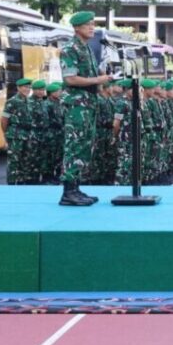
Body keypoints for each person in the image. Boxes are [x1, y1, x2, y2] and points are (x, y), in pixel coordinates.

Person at [59, 11, 116, 206]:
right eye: (87, 24)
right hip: (77, 104)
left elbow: (94, 76)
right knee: (74, 145)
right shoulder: (70, 49)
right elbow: (70, 79)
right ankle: (68, 192)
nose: (92, 28)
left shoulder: (88, 49)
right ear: (77, 28)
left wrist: (105, 78)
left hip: (88, 103)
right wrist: (98, 79)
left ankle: (75, 188)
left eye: (93, 24)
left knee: (84, 146)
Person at [1, 78, 33, 185]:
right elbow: (4, 119)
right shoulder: (12, 101)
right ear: (18, 88)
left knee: (25, 160)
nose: (27, 89)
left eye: (29, 87)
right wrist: (6, 134)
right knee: (14, 161)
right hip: (15, 135)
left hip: (27, 134)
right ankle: (12, 183)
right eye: (25, 87)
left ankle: (21, 182)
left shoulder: (28, 101)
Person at [28, 79, 49, 184]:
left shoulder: (43, 102)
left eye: (43, 90)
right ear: (34, 90)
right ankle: (32, 180)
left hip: (43, 135)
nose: (41, 92)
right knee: (33, 159)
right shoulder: (29, 102)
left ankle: (42, 179)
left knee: (43, 158)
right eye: (39, 90)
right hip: (33, 135)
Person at [45, 82, 64, 185]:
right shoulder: (47, 104)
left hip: (59, 133)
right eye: (57, 91)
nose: (59, 93)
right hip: (51, 133)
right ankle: (49, 176)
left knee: (59, 155)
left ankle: (57, 175)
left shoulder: (59, 103)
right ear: (51, 93)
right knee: (50, 155)